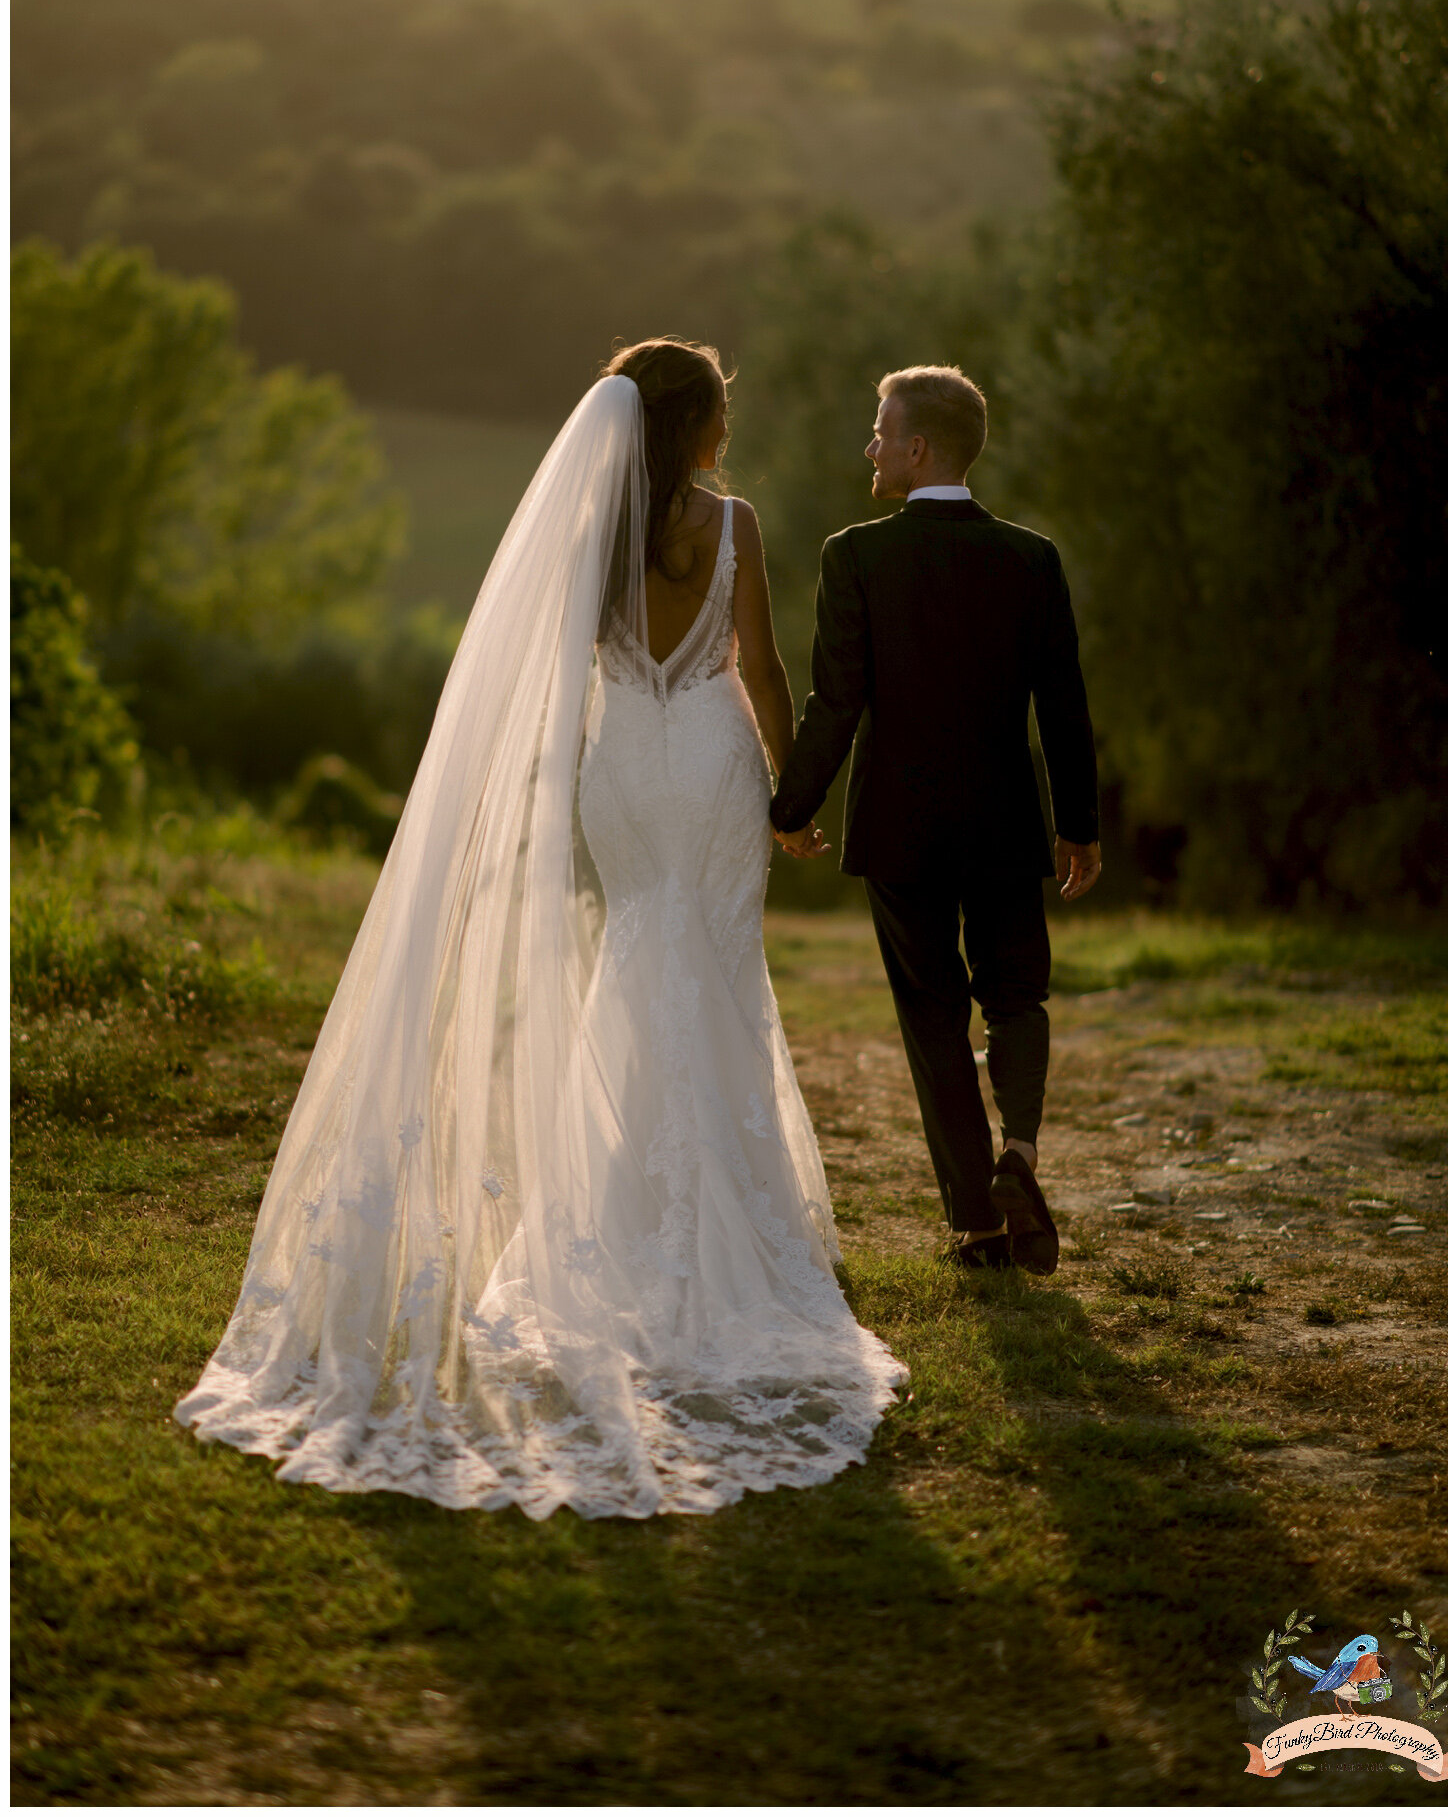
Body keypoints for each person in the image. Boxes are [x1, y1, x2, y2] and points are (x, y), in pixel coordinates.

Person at [176, 341, 904, 1519]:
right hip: (712, 764)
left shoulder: (591, 536)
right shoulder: (737, 527)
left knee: (634, 964)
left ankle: (619, 1220)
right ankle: (719, 1225)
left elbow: (551, 678)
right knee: (715, 973)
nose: (728, 428)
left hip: (621, 766)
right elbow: (762, 666)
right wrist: (789, 793)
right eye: (720, 412)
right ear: (699, 425)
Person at [770, 365, 1100, 1274]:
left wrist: (789, 808)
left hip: (899, 827)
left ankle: (979, 1225)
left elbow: (833, 703)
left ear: (918, 448)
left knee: (932, 1015)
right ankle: (1020, 1155)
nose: (869, 446)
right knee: (1017, 993)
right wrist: (1079, 824)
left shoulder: (855, 555)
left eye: (879, 432)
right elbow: (1062, 704)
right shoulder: (1031, 557)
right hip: (1004, 819)